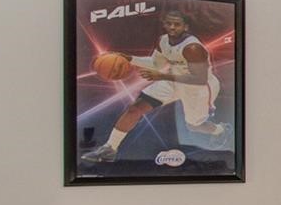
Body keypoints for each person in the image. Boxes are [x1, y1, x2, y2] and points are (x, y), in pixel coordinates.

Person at [81, 10, 227, 164]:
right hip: (173, 81)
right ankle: (110, 149)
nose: (172, 27)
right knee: (135, 109)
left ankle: (221, 130)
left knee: (194, 126)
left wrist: (162, 76)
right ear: (164, 24)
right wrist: (129, 58)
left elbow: (199, 79)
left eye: (177, 24)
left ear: (185, 27)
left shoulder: (192, 48)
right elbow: (157, 64)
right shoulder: (163, 41)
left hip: (199, 88)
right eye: (169, 23)